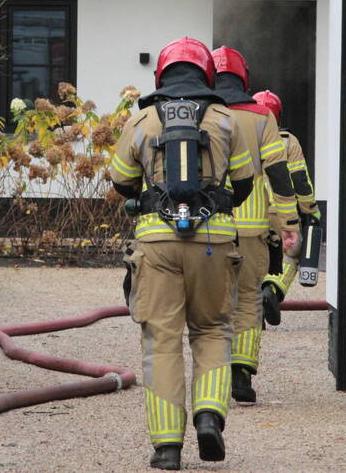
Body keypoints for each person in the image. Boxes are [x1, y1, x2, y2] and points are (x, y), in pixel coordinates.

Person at [110, 37, 254, 470]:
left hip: (156, 245)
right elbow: (245, 183)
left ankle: (167, 447)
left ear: (161, 75)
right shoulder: (227, 120)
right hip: (214, 242)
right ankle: (209, 415)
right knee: (212, 330)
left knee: (162, 341)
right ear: (208, 75)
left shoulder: (142, 120)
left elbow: (121, 181)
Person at [211, 47, 299, 405]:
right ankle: (241, 373)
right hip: (253, 229)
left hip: (210, 228)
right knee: (248, 299)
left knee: (212, 303)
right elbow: (279, 174)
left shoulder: (204, 113)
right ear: (244, 76)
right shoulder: (263, 117)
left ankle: (210, 381)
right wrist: (290, 222)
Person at [252, 90, 321, 324]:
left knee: (249, 259)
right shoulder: (288, 141)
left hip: (248, 213)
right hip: (282, 213)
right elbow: (300, 180)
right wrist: (311, 210)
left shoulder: (240, 136)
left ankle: (250, 306)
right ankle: (272, 289)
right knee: (290, 254)